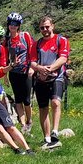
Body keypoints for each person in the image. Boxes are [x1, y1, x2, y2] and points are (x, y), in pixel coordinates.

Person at [30, 15, 70, 149]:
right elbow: (33, 62)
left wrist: (50, 69)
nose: (45, 29)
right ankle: (47, 137)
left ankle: (55, 131)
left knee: (55, 102)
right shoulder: (36, 44)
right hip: (40, 79)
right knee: (43, 108)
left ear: (52, 26)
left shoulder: (61, 40)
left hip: (57, 77)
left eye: (47, 27)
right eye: (42, 28)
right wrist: (40, 69)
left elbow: (63, 58)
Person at [3, 12, 36, 132]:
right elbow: (5, 58)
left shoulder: (25, 36)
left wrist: (32, 67)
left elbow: (33, 51)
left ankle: (29, 120)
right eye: (11, 23)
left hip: (26, 72)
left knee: (26, 100)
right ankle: (23, 124)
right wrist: (5, 75)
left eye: (15, 24)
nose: (13, 26)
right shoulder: (7, 41)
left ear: (19, 25)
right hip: (13, 72)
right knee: (18, 99)